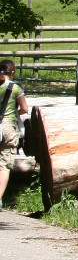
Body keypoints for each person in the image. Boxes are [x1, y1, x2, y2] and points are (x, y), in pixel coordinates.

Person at [0, 59, 27, 208]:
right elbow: (24, 108)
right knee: (3, 165)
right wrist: (16, 112)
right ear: (12, 72)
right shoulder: (14, 88)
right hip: (8, 126)